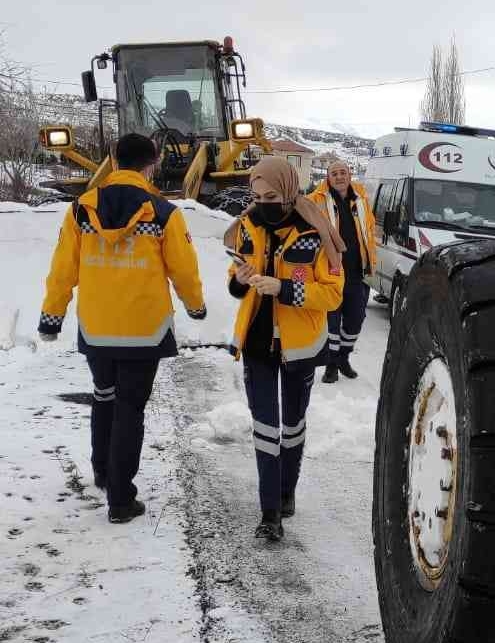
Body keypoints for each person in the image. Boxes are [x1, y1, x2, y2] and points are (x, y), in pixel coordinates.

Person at [38, 132, 206, 524]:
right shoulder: (163, 211)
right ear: (152, 165)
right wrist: (195, 307)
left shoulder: (81, 209)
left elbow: (64, 269)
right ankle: (120, 498)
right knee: (130, 407)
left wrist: (52, 316)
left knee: (104, 396)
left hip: (97, 328)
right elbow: (184, 269)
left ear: (113, 162)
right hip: (145, 330)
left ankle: (102, 471)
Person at [226, 155, 344, 543]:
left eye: (272, 195)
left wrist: (285, 288)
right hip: (258, 342)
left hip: (301, 347)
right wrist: (241, 279)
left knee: (292, 427)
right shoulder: (247, 225)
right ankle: (269, 512)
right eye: (257, 195)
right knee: (265, 429)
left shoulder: (316, 232)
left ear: (289, 191)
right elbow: (235, 275)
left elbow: (332, 294)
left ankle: (287, 490)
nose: (263, 202)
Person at [309, 159, 376, 383]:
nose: (339, 176)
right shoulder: (315, 201)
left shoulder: (362, 200)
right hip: (331, 273)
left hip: (358, 273)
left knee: (355, 321)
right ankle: (331, 364)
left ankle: (343, 357)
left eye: (343, 172)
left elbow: (368, 232)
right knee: (331, 323)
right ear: (328, 177)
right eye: (334, 173)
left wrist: (370, 263)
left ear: (349, 175)